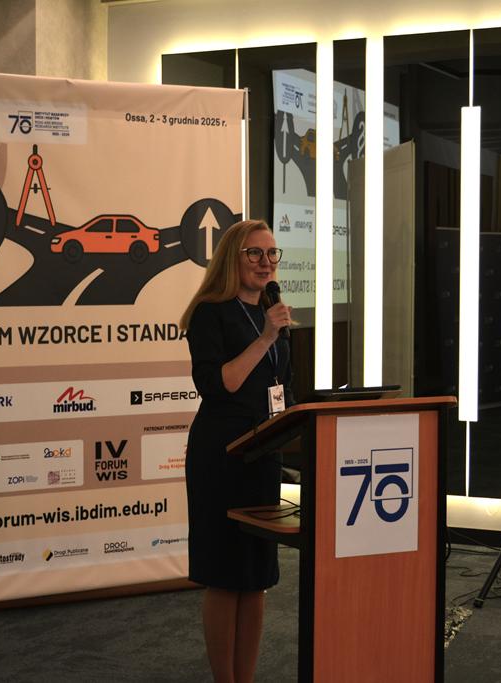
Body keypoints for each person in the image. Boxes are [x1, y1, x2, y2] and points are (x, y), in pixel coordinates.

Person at [179, 219, 294, 683]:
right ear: (233, 258)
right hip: (222, 457)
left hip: (262, 454)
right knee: (226, 577)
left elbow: (280, 387)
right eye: (255, 254)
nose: (266, 263)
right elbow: (219, 384)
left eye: (272, 253)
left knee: (257, 578)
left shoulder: (272, 313)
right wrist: (266, 337)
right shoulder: (211, 313)